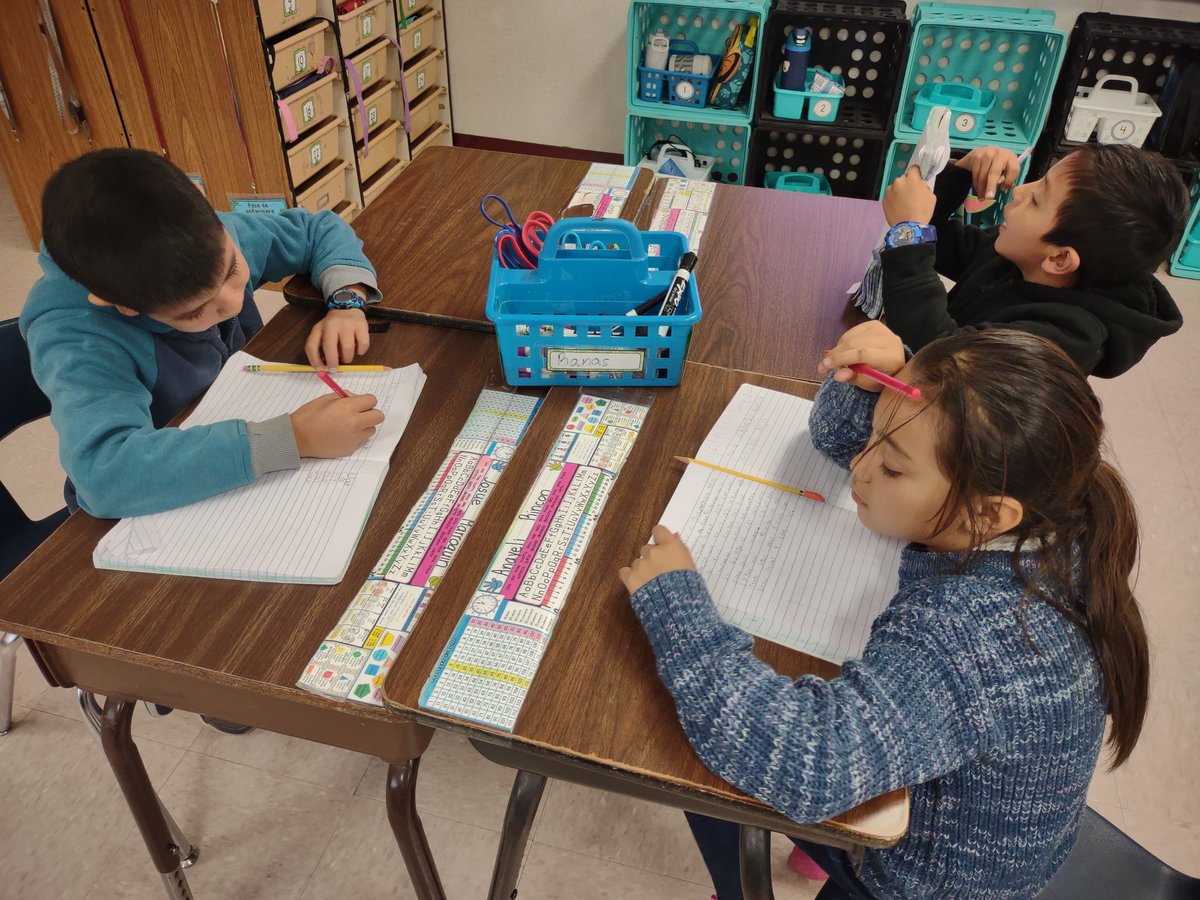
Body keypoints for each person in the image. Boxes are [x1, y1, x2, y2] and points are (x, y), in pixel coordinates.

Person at [619, 322, 1149, 899]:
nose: (860, 467)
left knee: (690, 759)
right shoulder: (1049, 512)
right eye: (875, 437)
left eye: (892, 468)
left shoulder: (971, 640)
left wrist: (678, 607)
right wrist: (868, 385)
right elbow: (842, 441)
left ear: (989, 515)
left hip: (922, 883)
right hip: (971, 812)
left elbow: (808, 763)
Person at [21, 148, 384, 518]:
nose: (232, 303)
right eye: (194, 311)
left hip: (239, 421)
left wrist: (346, 301)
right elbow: (104, 475)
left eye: (231, 272)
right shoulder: (77, 338)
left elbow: (316, 230)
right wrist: (291, 439)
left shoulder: (200, 238)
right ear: (122, 305)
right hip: (154, 496)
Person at [877, 142, 1187, 377]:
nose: (1020, 191)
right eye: (1038, 180)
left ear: (1060, 259)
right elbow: (942, 244)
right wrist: (963, 172)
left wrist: (909, 233)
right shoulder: (1027, 258)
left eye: (1037, 199)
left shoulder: (1064, 339)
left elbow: (942, 357)